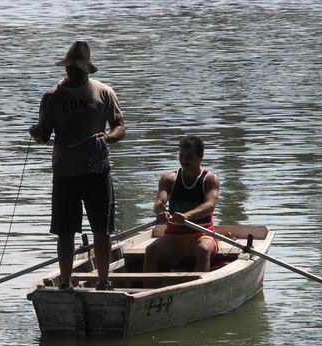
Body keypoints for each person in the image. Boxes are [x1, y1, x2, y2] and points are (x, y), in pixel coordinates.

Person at [29, 41, 125, 291]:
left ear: (87, 70)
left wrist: (109, 137)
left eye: (78, 69)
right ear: (66, 67)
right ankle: (66, 283)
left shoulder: (104, 92)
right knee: (65, 232)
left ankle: (104, 281)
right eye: (70, 68)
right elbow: (45, 136)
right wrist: (37, 133)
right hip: (65, 172)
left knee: (102, 230)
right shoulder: (52, 97)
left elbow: (120, 127)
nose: (74, 72)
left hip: (97, 171)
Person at [143, 136, 221, 273]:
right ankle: (149, 289)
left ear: (201, 156)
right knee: (151, 250)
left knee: (203, 250)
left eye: (189, 156)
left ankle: (199, 289)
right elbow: (159, 202)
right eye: (181, 156)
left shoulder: (210, 179)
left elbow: (210, 205)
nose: (184, 160)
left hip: (202, 235)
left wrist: (187, 216)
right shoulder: (169, 179)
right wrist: (161, 211)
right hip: (174, 237)